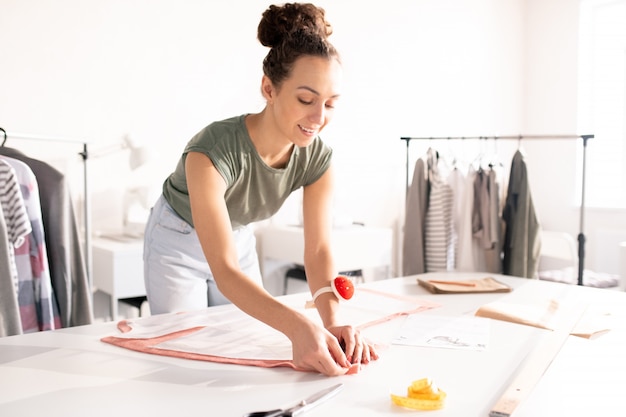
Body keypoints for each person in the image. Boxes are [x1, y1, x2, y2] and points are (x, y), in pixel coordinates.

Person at [143, 2, 378, 376]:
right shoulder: (211, 152)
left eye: (330, 104)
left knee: (243, 349)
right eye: (306, 100)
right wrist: (300, 325)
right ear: (269, 88)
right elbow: (224, 269)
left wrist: (331, 321)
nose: (319, 118)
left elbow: (318, 251)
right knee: (185, 355)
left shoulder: (317, 159)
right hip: (177, 241)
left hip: (236, 238)